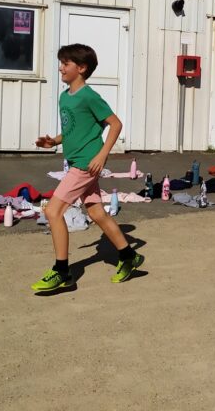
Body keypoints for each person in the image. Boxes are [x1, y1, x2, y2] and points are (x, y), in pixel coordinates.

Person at [31, 44, 144, 291]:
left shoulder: (89, 96)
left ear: (81, 68)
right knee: (97, 213)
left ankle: (62, 272)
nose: (61, 68)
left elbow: (115, 124)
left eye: (66, 64)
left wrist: (102, 155)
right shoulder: (65, 97)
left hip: (85, 164)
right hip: (76, 162)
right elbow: (74, 129)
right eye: (61, 63)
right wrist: (54, 141)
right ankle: (129, 257)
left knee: (53, 211)